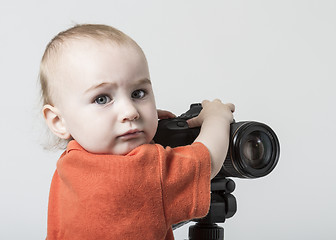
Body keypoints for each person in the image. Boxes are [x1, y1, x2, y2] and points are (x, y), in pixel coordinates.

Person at [40, 24, 235, 240]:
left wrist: (146, 120)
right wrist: (217, 117)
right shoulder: (146, 171)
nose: (130, 112)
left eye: (138, 93)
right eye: (102, 99)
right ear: (58, 121)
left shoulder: (70, 165)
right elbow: (207, 162)